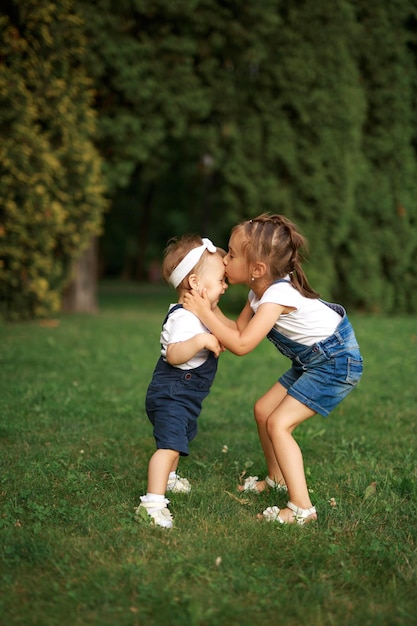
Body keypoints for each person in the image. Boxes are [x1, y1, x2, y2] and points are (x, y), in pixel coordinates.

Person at [183, 214, 363, 525]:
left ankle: (301, 509)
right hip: (313, 360)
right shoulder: (258, 293)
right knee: (264, 410)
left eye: (233, 254)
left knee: (279, 424)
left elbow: (241, 345)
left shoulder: (277, 296)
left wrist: (204, 312)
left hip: (335, 362)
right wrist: (208, 308)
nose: (225, 259)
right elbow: (235, 329)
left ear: (257, 269)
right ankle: (277, 479)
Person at [136, 234, 229, 528]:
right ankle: (152, 503)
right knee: (169, 446)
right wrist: (202, 340)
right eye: (221, 281)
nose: (226, 286)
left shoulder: (200, 315)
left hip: (185, 395)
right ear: (195, 285)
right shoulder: (184, 320)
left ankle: (171, 478)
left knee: (180, 438)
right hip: (172, 393)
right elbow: (175, 354)